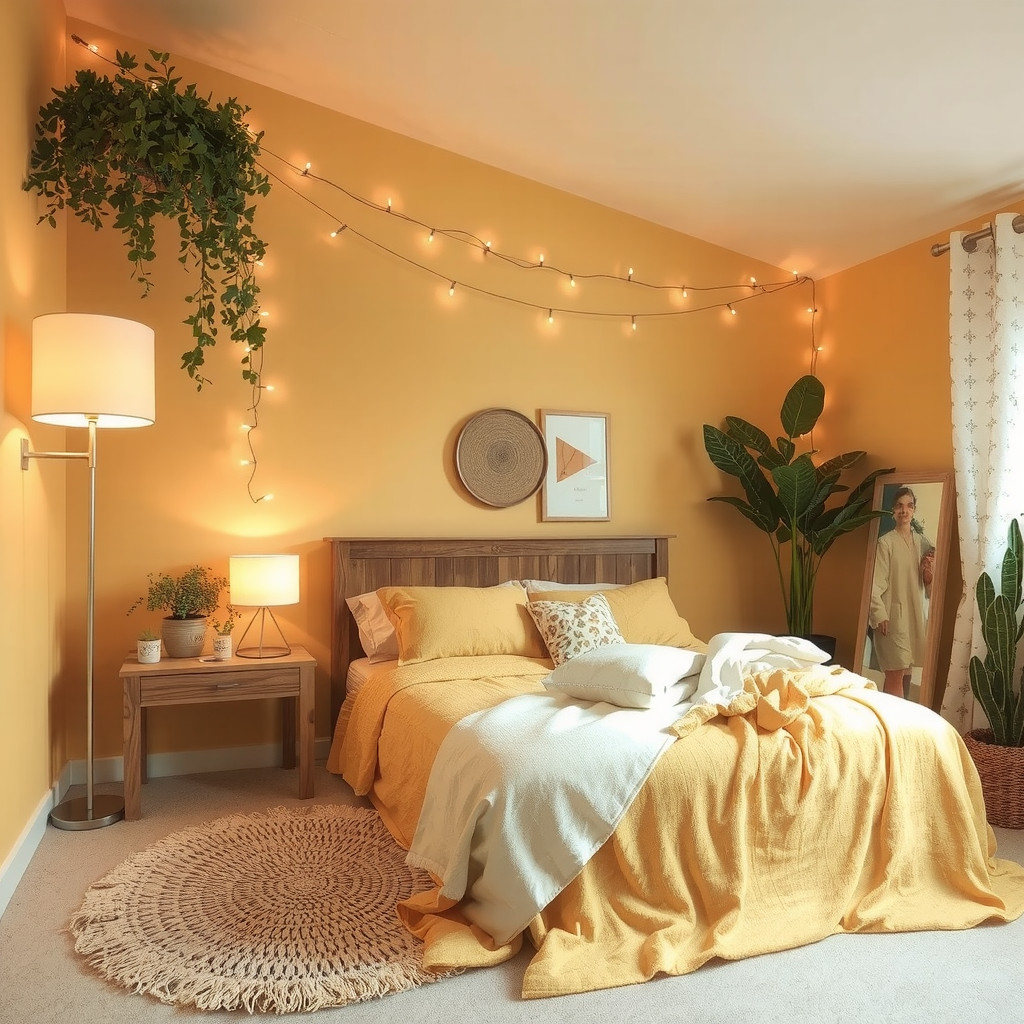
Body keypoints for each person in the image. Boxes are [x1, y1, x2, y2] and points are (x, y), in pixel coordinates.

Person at [867, 486, 935, 697]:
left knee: (907, 670)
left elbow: (930, 579)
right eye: (899, 506)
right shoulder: (885, 543)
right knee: (895, 672)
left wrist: (928, 568)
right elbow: (875, 583)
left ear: (914, 510)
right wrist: (879, 614)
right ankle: (892, 721)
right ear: (892, 511)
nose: (904, 511)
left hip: (914, 615)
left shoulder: (921, 542)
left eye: (909, 506)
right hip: (892, 616)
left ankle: (902, 721)